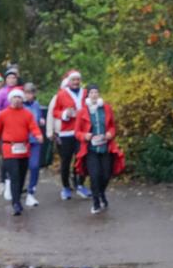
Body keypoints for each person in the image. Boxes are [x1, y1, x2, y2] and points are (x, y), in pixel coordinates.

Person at [0, 87, 44, 215]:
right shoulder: (3, 114)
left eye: (19, 97)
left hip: (23, 149)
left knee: (21, 175)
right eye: (14, 97)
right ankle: (16, 202)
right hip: (9, 148)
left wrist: (38, 135)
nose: (17, 99)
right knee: (14, 175)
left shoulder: (27, 114)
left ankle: (17, 196)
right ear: (10, 99)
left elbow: (33, 126)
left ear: (22, 99)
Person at [74, 84, 125, 214]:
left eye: (96, 92)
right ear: (88, 95)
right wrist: (85, 136)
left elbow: (113, 126)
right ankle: (96, 202)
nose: (94, 95)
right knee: (95, 175)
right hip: (90, 150)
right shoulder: (82, 112)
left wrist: (110, 134)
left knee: (106, 175)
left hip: (105, 147)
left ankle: (101, 193)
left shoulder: (106, 108)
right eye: (91, 93)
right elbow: (77, 132)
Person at [51, 70, 92, 200]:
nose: (75, 82)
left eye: (77, 80)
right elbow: (55, 112)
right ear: (68, 82)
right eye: (73, 80)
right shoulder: (61, 94)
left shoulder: (85, 93)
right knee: (66, 161)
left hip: (81, 131)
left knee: (81, 158)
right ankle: (65, 187)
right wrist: (65, 114)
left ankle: (80, 184)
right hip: (66, 132)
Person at [0, 65, 21, 195]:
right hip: (5, 127)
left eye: (14, 78)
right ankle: (3, 180)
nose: (12, 80)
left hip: (19, 127)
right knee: (7, 155)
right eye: (9, 77)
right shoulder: (2, 92)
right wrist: (7, 113)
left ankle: (15, 183)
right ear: (6, 80)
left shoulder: (21, 91)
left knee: (18, 155)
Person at [20, 82, 45, 207]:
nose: (28, 95)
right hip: (21, 142)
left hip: (35, 141)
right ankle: (16, 190)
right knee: (20, 168)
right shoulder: (18, 106)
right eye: (26, 93)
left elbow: (37, 119)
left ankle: (31, 193)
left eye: (30, 93)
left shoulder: (36, 105)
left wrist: (41, 120)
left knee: (34, 166)